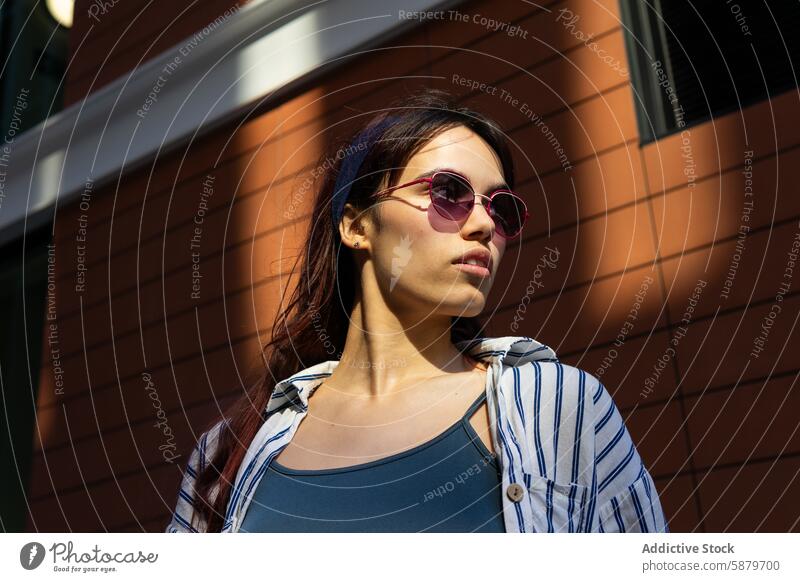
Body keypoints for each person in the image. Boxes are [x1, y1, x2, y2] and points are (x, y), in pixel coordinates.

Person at [166, 88, 668, 533]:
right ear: (357, 226)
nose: (483, 226)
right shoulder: (226, 455)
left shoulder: (557, 407)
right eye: (448, 192)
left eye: (500, 207)